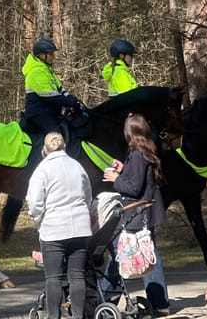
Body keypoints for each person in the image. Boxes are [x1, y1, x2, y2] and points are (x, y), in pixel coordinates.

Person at [101, 113, 170, 317]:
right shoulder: (145, 152)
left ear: (130, 133)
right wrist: (124, 169)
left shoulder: (137, 154)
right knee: (148, 255)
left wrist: (115, 179)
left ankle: (105, 297)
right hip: (145, 212)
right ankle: (159, 303)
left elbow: (133, 187)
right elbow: (140, 179)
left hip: (137, 214)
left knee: (119, 253)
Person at [26, 132, 93, 319]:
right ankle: (78, 316)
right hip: (80, 228)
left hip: (54, 229)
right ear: (64, 146)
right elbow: (88, 196)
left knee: (53, 277)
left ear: (44, 150)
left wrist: (38, 219)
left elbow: (34, 203)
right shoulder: (77, 166)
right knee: (77, 276)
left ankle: (53, 316)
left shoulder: (42, 170)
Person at [21, 38, 81, 134]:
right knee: (56, 137)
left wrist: (71, 98)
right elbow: (48, 95)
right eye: (50, 54)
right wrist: (68, 102)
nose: (53, 56)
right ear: (41, 55)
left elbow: (60, 89)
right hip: (39, 114)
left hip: (50, 112)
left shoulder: (48, 71)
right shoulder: (35, 72)